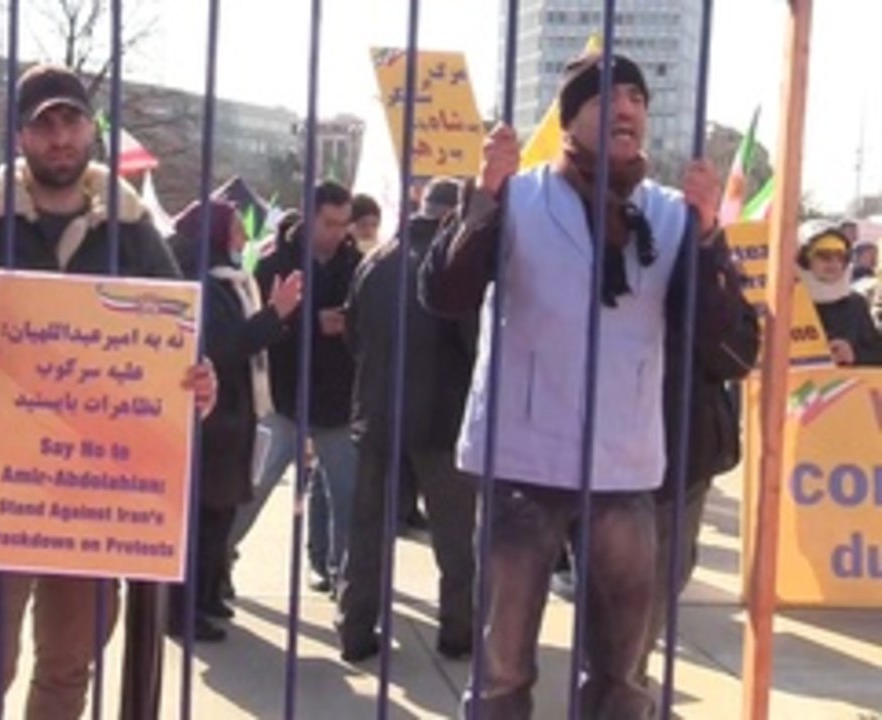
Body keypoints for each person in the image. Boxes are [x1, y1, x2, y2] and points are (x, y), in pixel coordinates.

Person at [0, 64, 215, 720]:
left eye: (71, 121)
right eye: (45, 125)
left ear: (91, 130)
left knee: (69, 664)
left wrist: (195, 380)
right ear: (20, 137)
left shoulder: (135, 232)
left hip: (99, 485)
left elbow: (177, 338)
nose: (60, 137)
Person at [420, 52, 726, 717]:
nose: (626, 109)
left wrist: (709, 242)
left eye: (637, 99)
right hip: (523, 463)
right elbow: (445, 293)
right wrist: (481, 204)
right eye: (607, 98)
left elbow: (730, 345)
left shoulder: (674, 214)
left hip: (625, 468)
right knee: (502, 670)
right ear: (572, 117)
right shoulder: (520, 196)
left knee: (623, 675)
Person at [337, 177, 479, 662]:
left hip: (378, 416)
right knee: (455, 538)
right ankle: (458, 631)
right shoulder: (455, 268)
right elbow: (475, 346)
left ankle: (355, 629)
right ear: (450, 217)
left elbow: (353, 337)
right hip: (441, 421)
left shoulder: (374, 262)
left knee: (368, 533)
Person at [167, 200, 302, 642]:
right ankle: (183, 610)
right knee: (201, 521)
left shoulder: (228, 281)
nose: (243, 238)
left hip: (232, 418)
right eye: (235, 229)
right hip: (210, 421)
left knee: (219, 516)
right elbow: (223, 348)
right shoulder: (200, 284)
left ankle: (207, 595)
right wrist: (274, 316)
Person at [636, 225, 761, 687]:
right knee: (631, 579)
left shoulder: (711, 278)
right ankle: (620, 683)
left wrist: (714, 279)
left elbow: (737, 355)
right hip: (625, 451)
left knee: (664, 573)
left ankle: (626, 679)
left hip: (684, 453)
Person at [249, 180, 362, 594]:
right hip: (284, 396)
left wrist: (351, 324)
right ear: (309, 216)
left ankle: (344, 578)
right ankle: (215, 565)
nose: (338, 232)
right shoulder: (275, 263)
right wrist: (311, 323)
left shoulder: (356, 265)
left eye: (343, 223)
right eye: (330, 222)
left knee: (346, 497)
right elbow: (256, 331)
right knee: (254, 489)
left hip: (337, 399)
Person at [796, 220, 882, 367]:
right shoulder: (788, 304)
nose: (834, 263)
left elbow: (877, 355)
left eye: (840, 255)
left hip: (849, 388)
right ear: (805, 259)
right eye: (824, 255)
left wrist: (854, 355)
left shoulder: (856, 303)